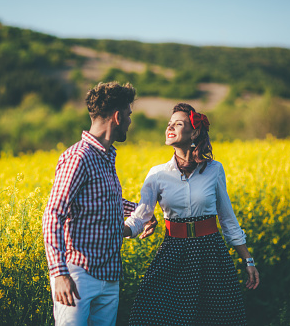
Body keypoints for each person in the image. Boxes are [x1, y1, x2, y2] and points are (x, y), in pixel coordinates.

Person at [124, 103, 260, 325]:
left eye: (178, 124)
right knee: (157, 317)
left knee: (215, 319)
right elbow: (141, 215)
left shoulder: (214, 169)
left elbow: (227, 219)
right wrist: (118, 229)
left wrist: (248, 260)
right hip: (173, 254)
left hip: (210, 255)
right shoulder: (157, 174)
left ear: (194, 132)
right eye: (169, 124)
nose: (170, 127)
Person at [42, 81, 157, 326]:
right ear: (117, 116)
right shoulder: (79, 157)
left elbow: (107, 202)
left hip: (109, 276)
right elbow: (53, 214)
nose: (129, 121)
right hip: (78, 275)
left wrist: (142, 212)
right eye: (128, 115)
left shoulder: (106, 156)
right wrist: (59, 273)